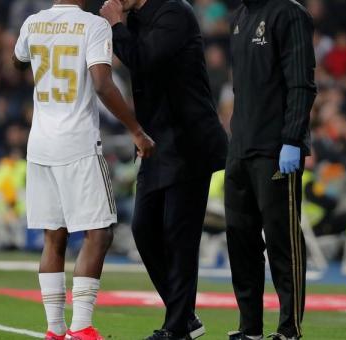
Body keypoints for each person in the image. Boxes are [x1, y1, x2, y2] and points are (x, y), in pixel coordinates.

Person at [14, 1, 155, 339]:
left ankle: (54, 329)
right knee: (100, 232)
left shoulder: (33, 23)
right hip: (76, 142)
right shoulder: (92, 25)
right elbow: (103, 84)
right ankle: (81, 327)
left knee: (54, 235)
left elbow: (17, 60)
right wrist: (136, 129)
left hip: (40, 143)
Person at [100, 0, 229, 339]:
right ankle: (184, 316)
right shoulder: (137, 19)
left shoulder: (175, 13)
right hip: (157, 143)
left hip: (190, 142)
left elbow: (145, 60)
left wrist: (115, 25)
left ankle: (176, 328)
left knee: (179, 234)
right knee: (143, 229)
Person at [225, 0, 317, 339]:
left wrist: (292, 138)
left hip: (276, 149)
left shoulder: (289, 13)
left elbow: (301, 82)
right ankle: (249, 328)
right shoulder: (240, 17)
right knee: (240, 239)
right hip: (241, 147)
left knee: (283, 241)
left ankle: (289, 329)